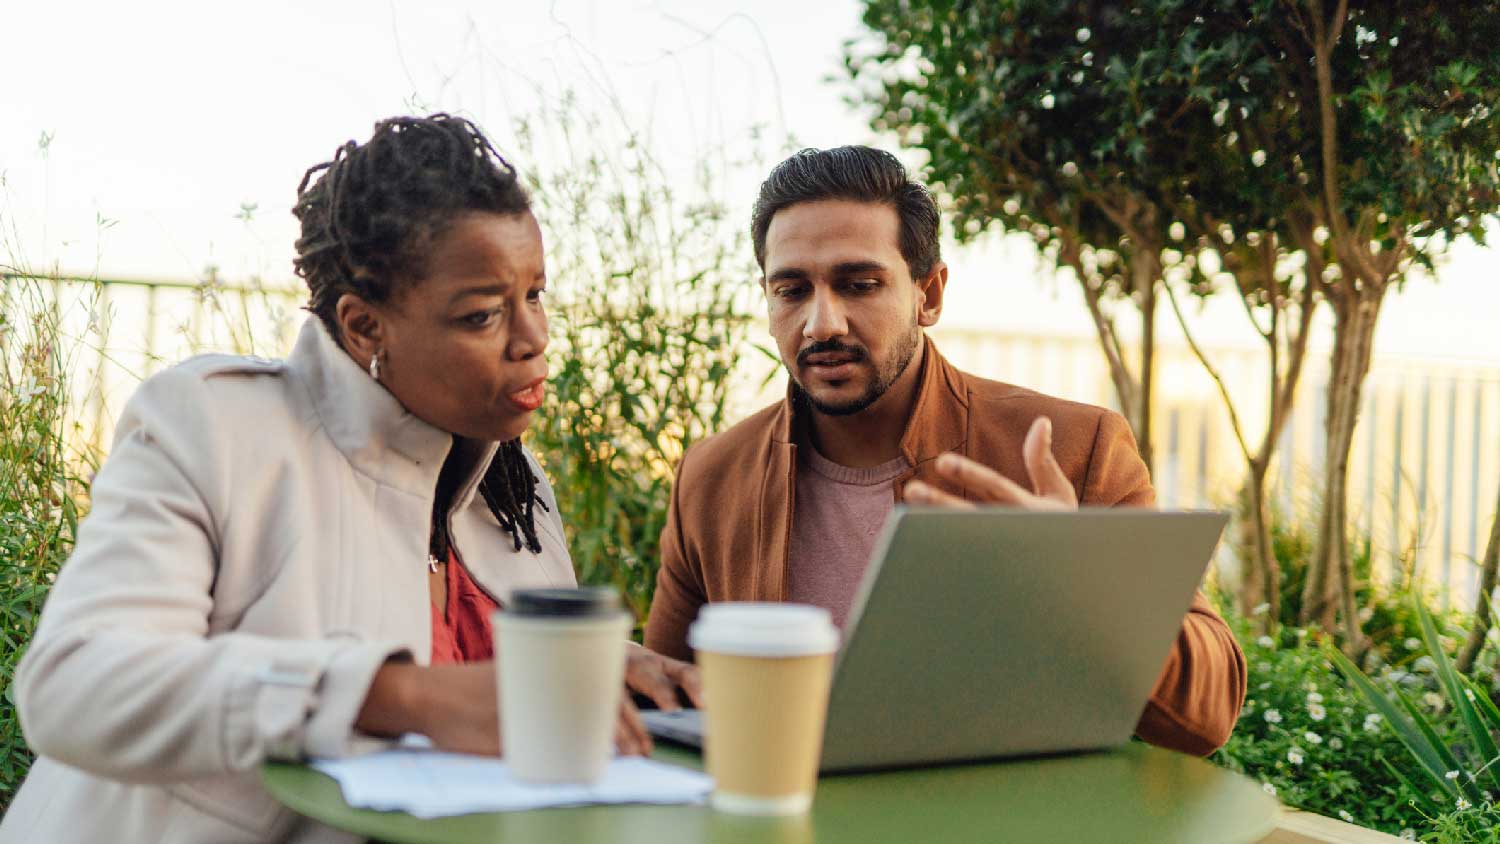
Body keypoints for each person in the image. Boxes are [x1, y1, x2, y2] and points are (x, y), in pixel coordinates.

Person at [1, 114, 697, 844]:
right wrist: (395, 694)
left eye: (536, 295)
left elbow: (466, 662)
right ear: (365, 328)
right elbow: (74, 685)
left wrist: (609, 673)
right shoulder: (212, 426)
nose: (534, 339)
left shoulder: (513, 490)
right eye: (484, 314)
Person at [643, 146, 1247, 757]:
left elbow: (1207, 715)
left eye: (859, 285)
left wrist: (1080, 582)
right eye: (792, 290)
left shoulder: (1069, 450)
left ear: (928, 294)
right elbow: (665, 709)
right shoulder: (713, 476)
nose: (822, 323)